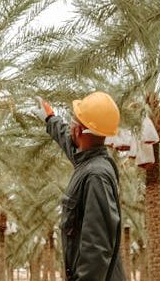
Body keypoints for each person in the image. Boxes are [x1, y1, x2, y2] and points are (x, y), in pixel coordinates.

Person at [35, 91, 125, 281]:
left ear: (78, 131)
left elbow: (96, 248)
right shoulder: (89, 161)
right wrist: (50, 119)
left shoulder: (95, 176)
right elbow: (71, 145)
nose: (70, 127)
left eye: (73, 122)